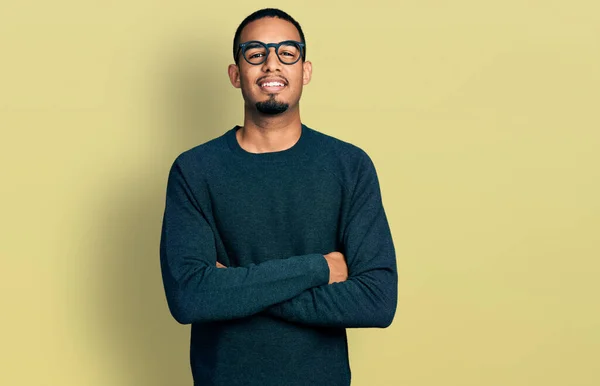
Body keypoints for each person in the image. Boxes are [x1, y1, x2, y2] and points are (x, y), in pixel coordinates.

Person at [159, 8, 398, 386]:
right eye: (255, 53)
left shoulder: (349, 166)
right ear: (236, 74)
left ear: (305, 70)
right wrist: (318, 269)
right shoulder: (195, 170)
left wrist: (236, 289)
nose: (272, 64)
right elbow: (190, 297)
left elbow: (377, 300)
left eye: (287, 53)